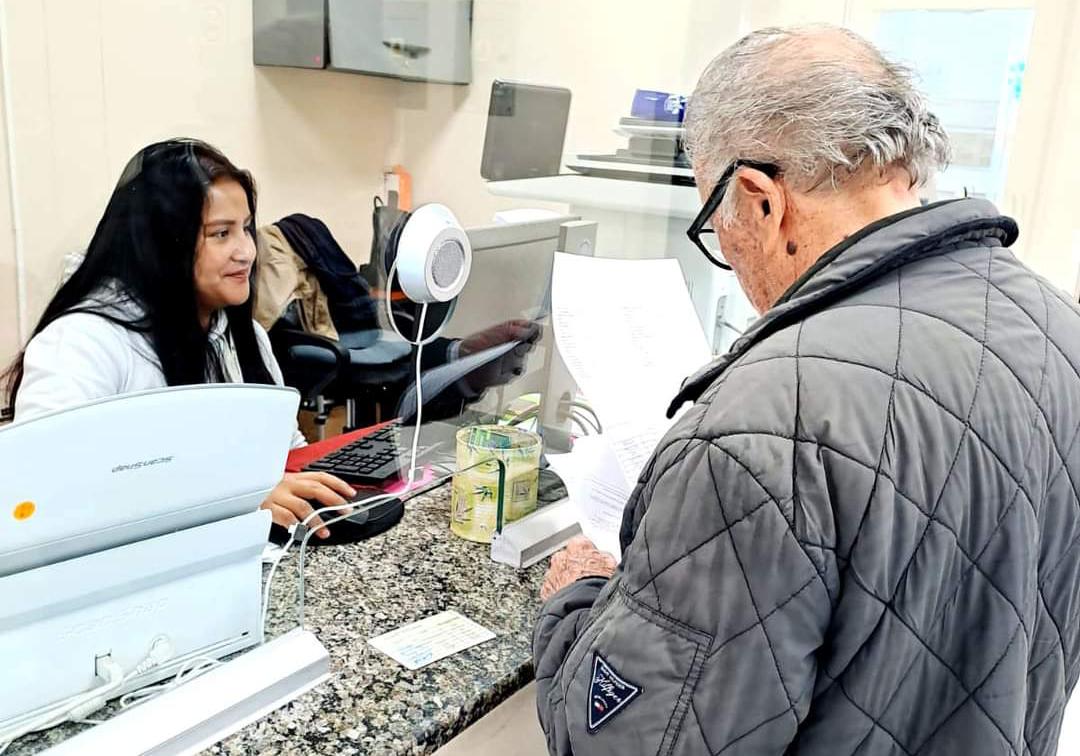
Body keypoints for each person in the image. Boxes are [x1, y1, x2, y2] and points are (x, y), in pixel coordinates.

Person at [533, 25, 1080, 756]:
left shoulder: (758, 428)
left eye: (716, 227)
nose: (729, 256)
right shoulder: (1056, 328)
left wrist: (576, 603)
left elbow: (627, 743)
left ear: (760, 199)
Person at [2, 139, 354, 539]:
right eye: (220, 234)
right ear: (162, 241)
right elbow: (45, 490)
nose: (246, 251)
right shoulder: (82, 343)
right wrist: (237, 499)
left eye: (245, 229)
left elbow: (284, 448)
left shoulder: (244, 334)